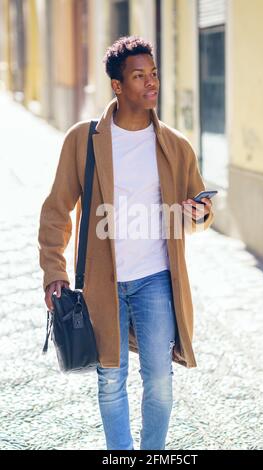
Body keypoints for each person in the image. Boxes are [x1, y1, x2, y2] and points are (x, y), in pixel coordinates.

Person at [38, 35, 214, 450]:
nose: (151, 83)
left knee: (159, 380)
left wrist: (200, 214)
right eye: (139, 76)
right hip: (103, 282)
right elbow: (56, 209)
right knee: (110, 379)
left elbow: (202, 206)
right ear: (117, 86)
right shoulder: (85, 139)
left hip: (155, 279)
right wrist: (54, 272)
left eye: (153, 74)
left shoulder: (174, 145)